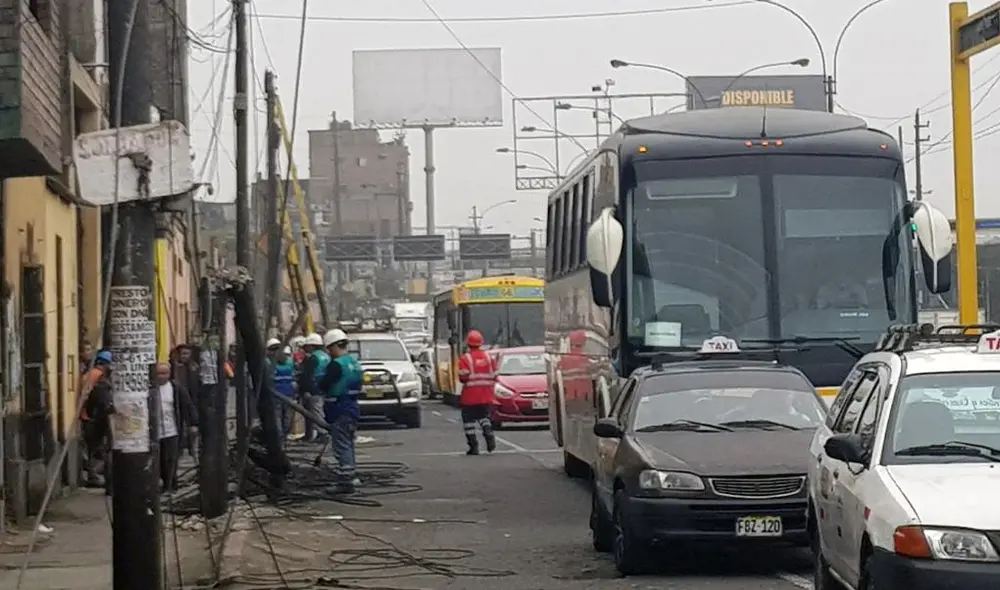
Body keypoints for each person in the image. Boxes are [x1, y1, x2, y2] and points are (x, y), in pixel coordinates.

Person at [318, 328, 363, 493]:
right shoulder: (354, 363)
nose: (329, 353)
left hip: (339, 408)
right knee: (348, 443)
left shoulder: (335, 365)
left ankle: (346, 481)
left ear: (333, 346)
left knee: (342, 444)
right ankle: (351, 475)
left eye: (329, 349)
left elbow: (325, 384)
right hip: (352, 407)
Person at [154, 361, 197, 492]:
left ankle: (171, 485)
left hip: (172, 430)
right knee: (159, 460)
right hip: (156, 432)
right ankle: (165, 484)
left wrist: (193, 424)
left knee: (171, 459)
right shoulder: (151, 389)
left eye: (164, 373)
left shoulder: (176, 388)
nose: (162, 376)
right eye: (159, 373)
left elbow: (187, 405)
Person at [457, 330, 497, 455]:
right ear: (481, 342)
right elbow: (495, 376)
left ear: (468, 343)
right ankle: (488, 432)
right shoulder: (489, 358)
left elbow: (463, 378)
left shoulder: (465, 358)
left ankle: (473, 447)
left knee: (468, 421)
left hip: (470, 396)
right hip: (486, 395)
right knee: (484, 417)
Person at [80, 350, 114, 488]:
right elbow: (99, 398)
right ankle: (94, 476)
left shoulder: (89, 374)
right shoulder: (99, 376)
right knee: (97, 449)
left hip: (87, 415)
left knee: (92, 449)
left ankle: (93, 475)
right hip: (93, 417)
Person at [296, 332, 328, 442]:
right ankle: (315, 434)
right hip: (323, 388)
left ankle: (322, 434)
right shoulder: (325, 356)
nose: (305, 349)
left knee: (315, 412)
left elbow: (308, 375)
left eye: (307, 346)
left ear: (312, 345)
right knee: (319, 411)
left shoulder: (313, 358)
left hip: (314, 389)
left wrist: (305, 390)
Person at [268, 339, 296, 438]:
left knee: (277, 416)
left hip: (276, 393)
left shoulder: (270, 363)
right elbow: (293, 378)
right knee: (287, 416)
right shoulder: (289, 362)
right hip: (288, 392)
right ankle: (284, 435)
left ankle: (279, 436)